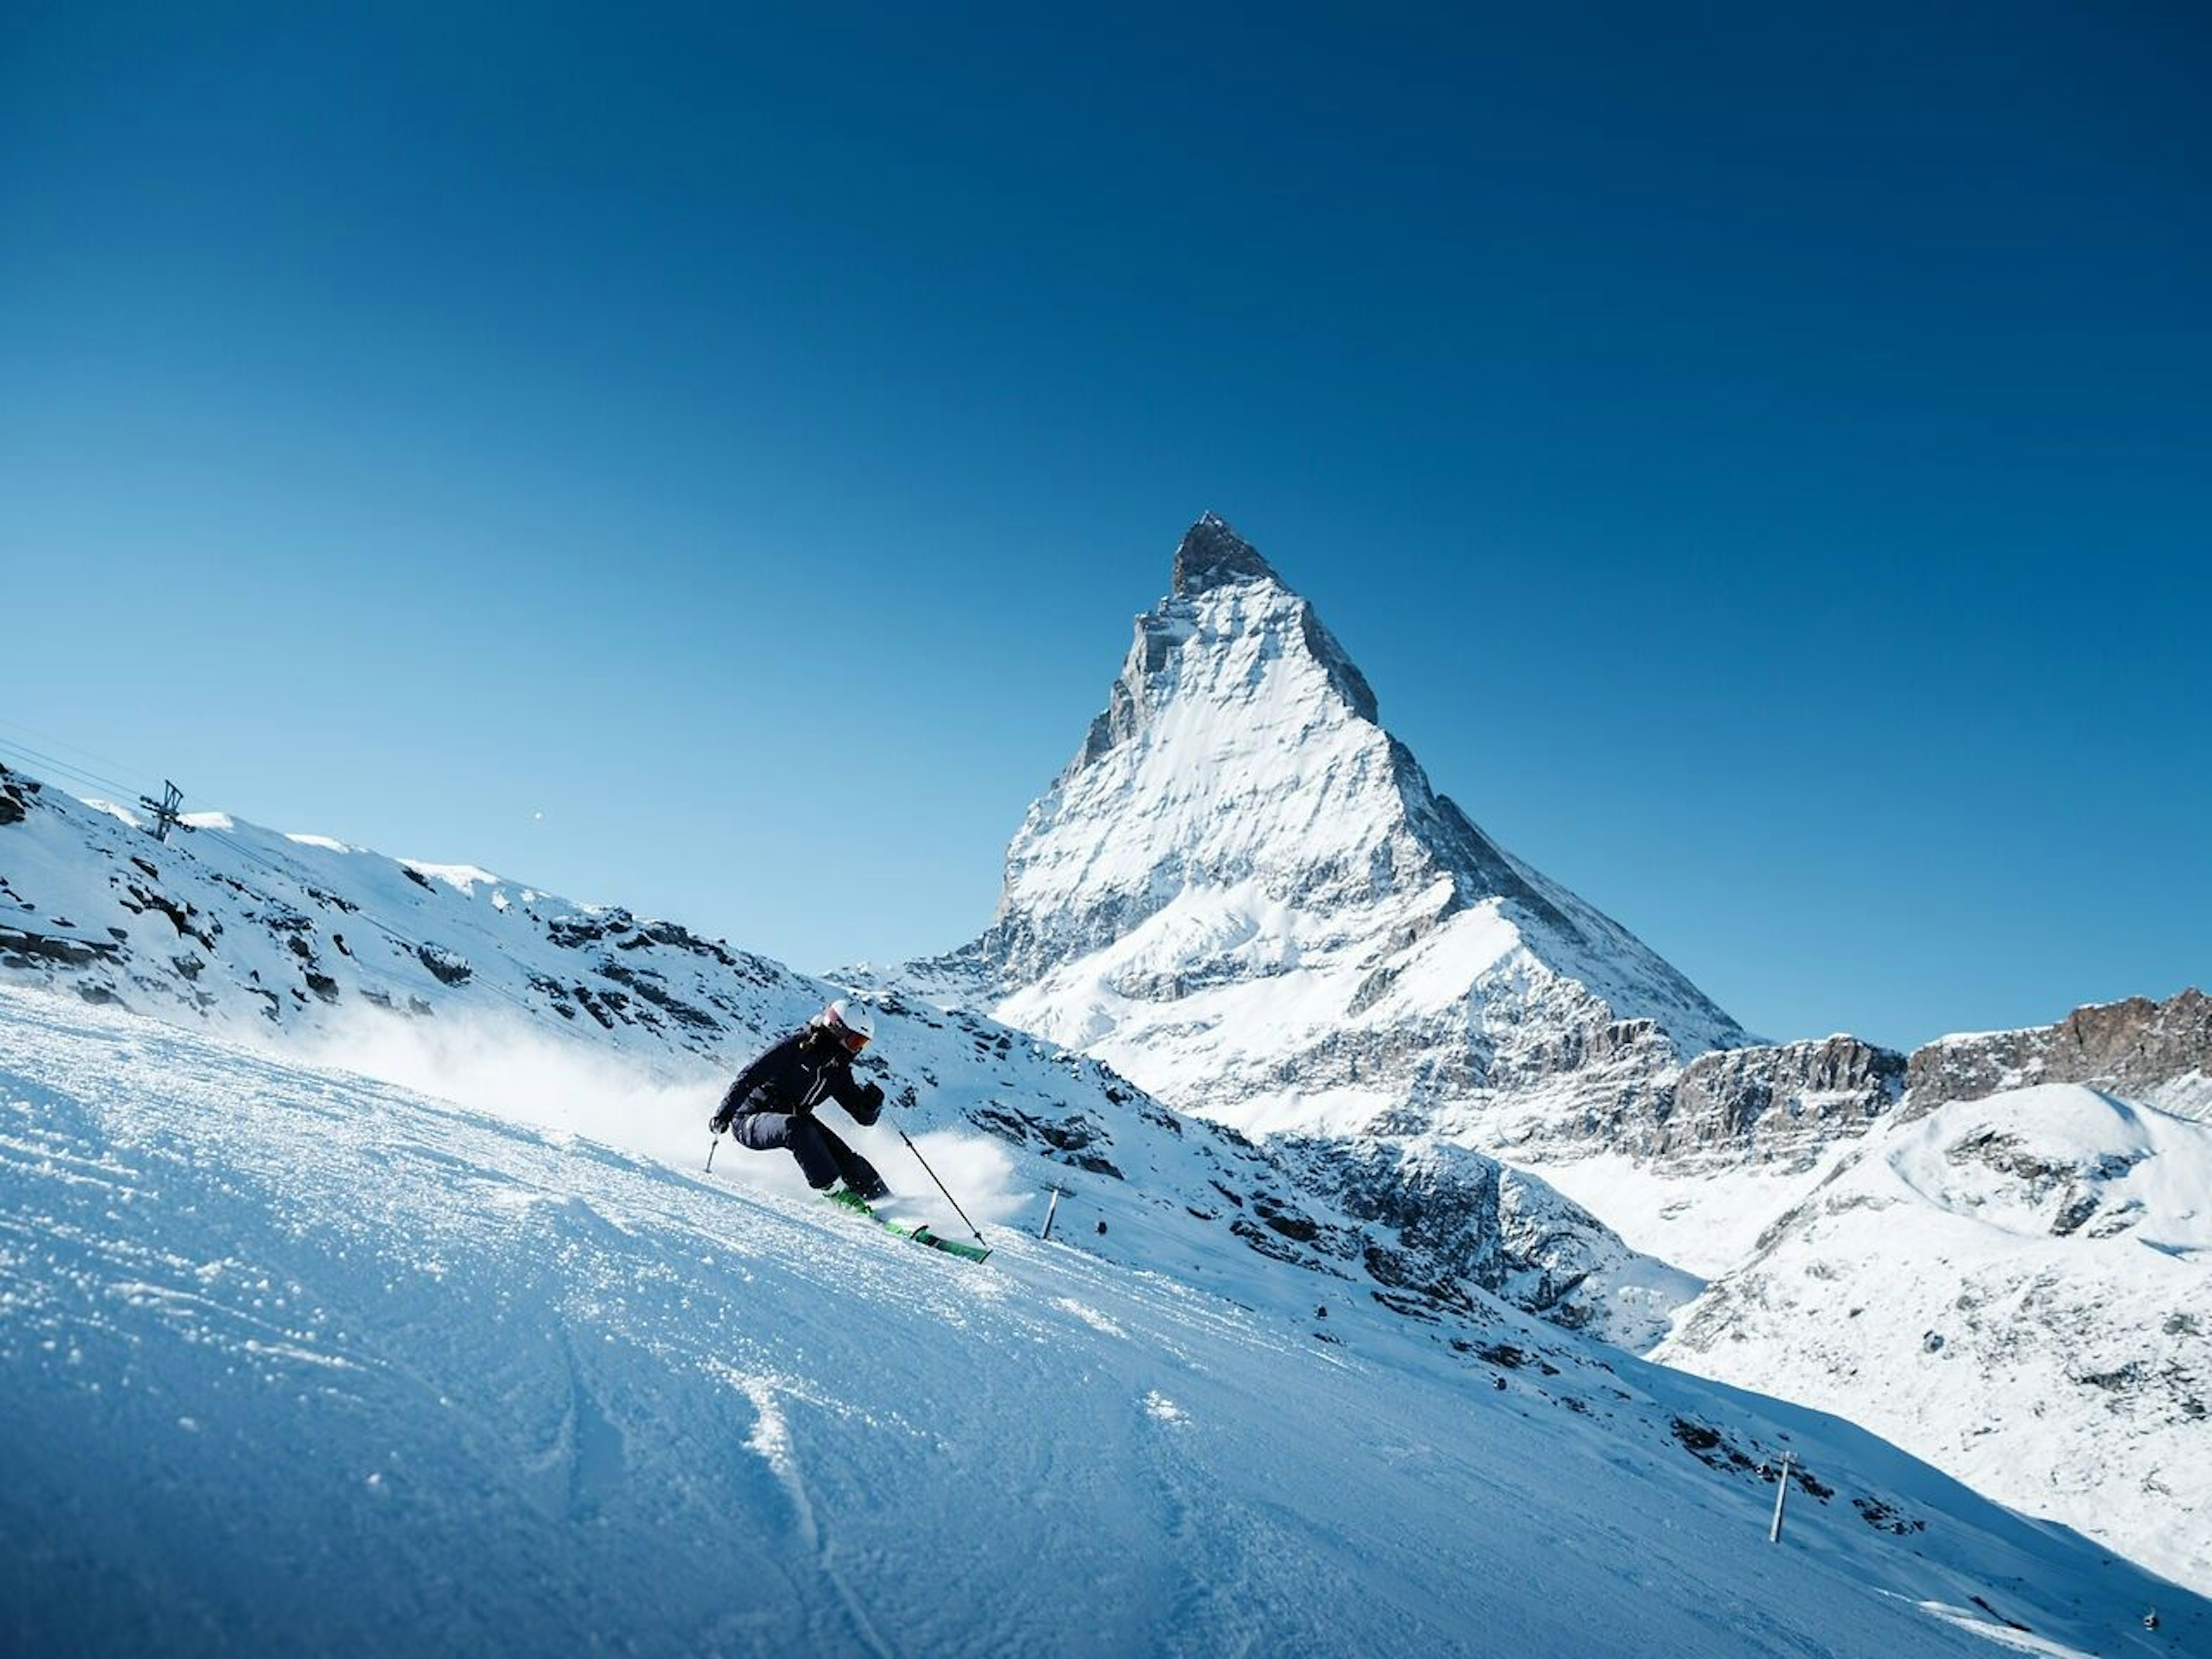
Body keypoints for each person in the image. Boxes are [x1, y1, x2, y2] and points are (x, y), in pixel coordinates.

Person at [711, 998, 892, 1212]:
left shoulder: (838, 1069)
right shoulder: (797, 1047)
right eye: (855, 1042)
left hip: (799, 1119)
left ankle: (885, 1202)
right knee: (796, 1128)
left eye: (862, 1044)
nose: (857, 1050)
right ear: (837, 1029)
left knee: (846, 1158)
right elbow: (751, 1075)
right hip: (751, 1118)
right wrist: (724, 1113)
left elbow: (862, 1117)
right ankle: (836, 1194)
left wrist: (870, 1105)